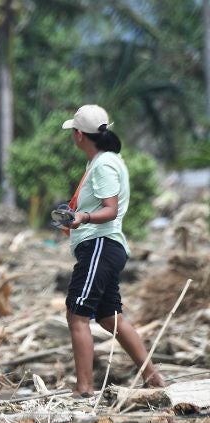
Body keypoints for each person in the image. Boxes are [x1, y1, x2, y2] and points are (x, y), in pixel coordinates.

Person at [61, 104, 165, 397]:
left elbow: (110, 209)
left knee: (76, 313)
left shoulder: (104, 164)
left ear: (79, 135)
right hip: (103, 245)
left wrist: (83, 218)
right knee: (109, 316)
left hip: (100, 244)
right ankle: (152, 376)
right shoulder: (104, 161)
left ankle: (84, 389)